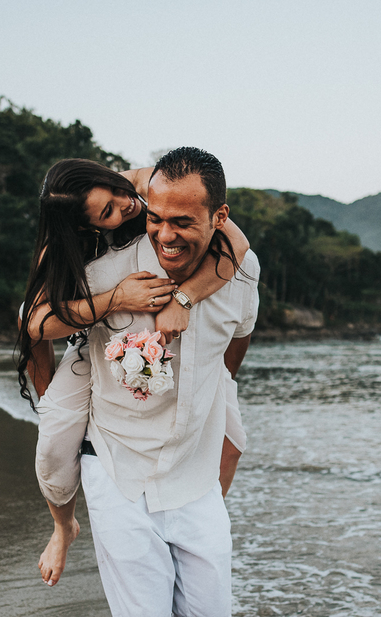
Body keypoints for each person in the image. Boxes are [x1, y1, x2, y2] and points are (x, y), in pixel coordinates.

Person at [44, 147, 259, 617]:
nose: (163, 232)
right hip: (117, 465)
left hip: (189, 471)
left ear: (217, 218)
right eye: (155, 216)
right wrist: (111, 300)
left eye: (183, 222)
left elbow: (239, 336)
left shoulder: (241, 272)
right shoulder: (108, 268)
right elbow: (39, 318)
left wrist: (213, 383)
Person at [15, 159, 248, 588]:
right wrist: (117, 297)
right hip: (94, 340)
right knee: (52, 446)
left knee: (232, 443)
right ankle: (64, 528)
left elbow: (237, 243)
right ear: (85, 228)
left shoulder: (140, 182)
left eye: (117, 193)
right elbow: (34, 324)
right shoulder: (67, 245)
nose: (127, 205)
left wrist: (184, 300)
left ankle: (199, 523)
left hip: (183, 337)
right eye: (108, 212)